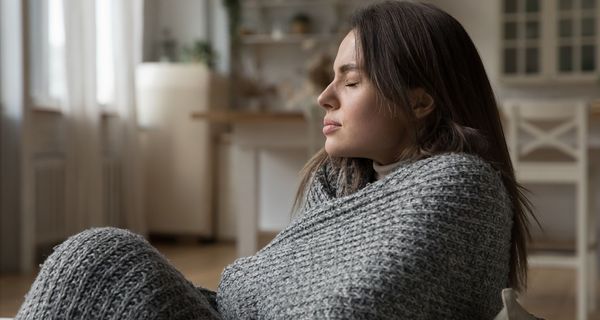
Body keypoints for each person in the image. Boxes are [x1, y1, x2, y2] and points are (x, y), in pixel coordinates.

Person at [15, 1, 536, 319]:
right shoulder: (339, 181)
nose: (324, 97)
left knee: (100, 259)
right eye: (332, 79)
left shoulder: (461, 186)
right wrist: (247, 287)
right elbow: (264, 289)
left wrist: (245, 284)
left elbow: (346, 310)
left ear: (421, 101)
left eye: (351, 81)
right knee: (97, 258)